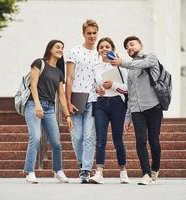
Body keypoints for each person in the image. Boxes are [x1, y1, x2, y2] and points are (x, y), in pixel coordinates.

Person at [110, 36, 163, 185]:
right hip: (137, 110)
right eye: (127, 46)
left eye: (132, 44)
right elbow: (131, 94)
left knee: (154, 141)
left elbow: (142, 64)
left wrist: (122, 63)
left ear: (141, 45)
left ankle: (155, 169)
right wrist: (128, 118)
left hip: (154, 107)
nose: (129, 47)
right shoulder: (130, 69)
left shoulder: (151, 57)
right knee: (140, 141)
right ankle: (145, 174)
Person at [23, 39, 73, 184]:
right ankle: (29, 171)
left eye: (62, 48)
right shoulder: (39, 63)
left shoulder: (58, 72)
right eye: (57, 47)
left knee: (56, 142)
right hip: (33, 104)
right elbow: (33, 85)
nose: (60, 49)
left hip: (50, 108)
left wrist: (67, 116)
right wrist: (38, 105)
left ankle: (58, 171)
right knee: (36, 137)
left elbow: (61, 96)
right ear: (50, 49)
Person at [89, 37, 129, 184]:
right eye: (101, 47)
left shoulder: (120, 66)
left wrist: (113, 85)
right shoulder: (95, 66)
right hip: (101, 104)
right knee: (101, 139)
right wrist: (97, 89)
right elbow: (92, 87)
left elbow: (128, 88)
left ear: (112, 49)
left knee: (118, 138)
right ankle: (99, 172)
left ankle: (123, 172)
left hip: (117, 104)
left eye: (107, 46)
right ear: (98, 50)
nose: (104, 49)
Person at [65, 19, 99, 183]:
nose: (92, 36)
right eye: (89, 33)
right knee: (76, 136)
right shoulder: (74, 52)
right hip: (76, 99)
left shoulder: (100, 54)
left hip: (93, 100)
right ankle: (81, 163)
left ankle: (86, 169)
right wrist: (68, 101)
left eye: (94, 33)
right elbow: (69, 78)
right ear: (83, 34)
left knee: (89, 136)